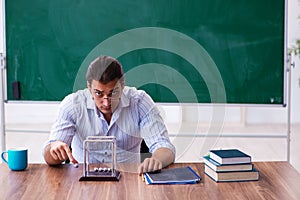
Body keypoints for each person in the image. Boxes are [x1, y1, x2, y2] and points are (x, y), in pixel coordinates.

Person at [43, 55, 175, 175]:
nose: (106, 102)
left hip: (129, 178)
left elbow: (165, 147)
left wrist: (156, 160)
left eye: (113, 92)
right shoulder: (72, 105)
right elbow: (48, 155)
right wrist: (53, 150)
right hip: (82, 180)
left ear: (123, 85)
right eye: (99, 93)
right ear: (89, 87)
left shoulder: (139, 102)